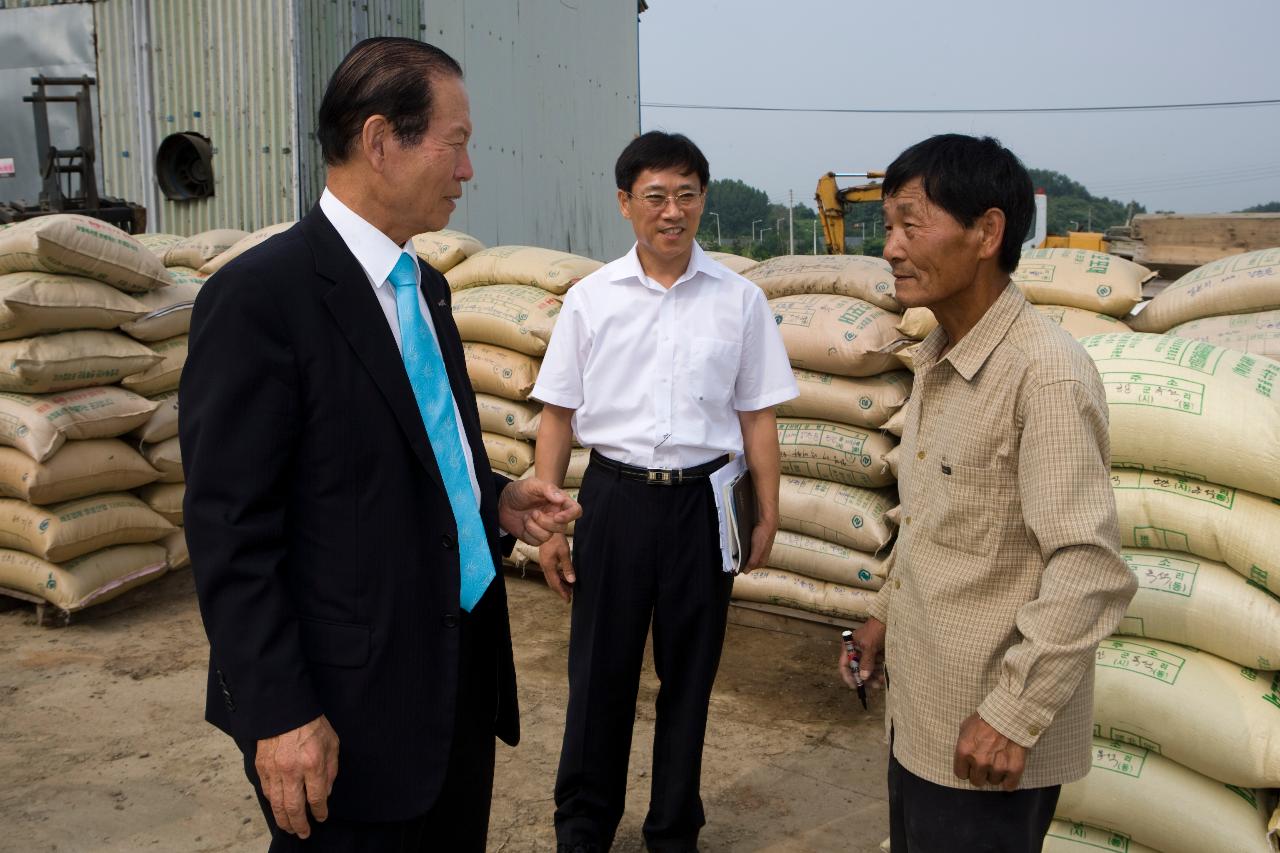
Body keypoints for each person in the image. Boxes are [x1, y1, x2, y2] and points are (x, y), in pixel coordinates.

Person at [180, 37, 580, 852]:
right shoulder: (261, 299)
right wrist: (282, 712)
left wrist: (494, 496)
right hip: (339, 713)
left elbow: (405, 444)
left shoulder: (422, 286)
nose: (467, 172)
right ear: (378, 141)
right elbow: (230, 532)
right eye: (456, 143)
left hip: (453, 680)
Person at [838, 134, 1137, 852]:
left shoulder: (1045, 375)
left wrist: (1013, 710)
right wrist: (882, 617)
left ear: (987, 232)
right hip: (925, 714)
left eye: (912, 224)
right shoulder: (939, 359)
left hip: (987, 741)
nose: (891, 248)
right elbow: (935, 520)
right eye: (887, 227)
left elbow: (1088, 569)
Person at [531, 131, 798, 853]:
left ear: (703, 199)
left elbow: (758, 415)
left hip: (703, 506)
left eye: (686, 194)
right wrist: (550, 520)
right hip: (613, 499)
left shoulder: (740, 301)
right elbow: (556, 415)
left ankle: (674, 828)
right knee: (599, 675)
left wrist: (768, 511)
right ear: (625, 204)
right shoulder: (592, 300)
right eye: (655, 196)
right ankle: (583, 825)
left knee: (690, 675)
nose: (671, 211)